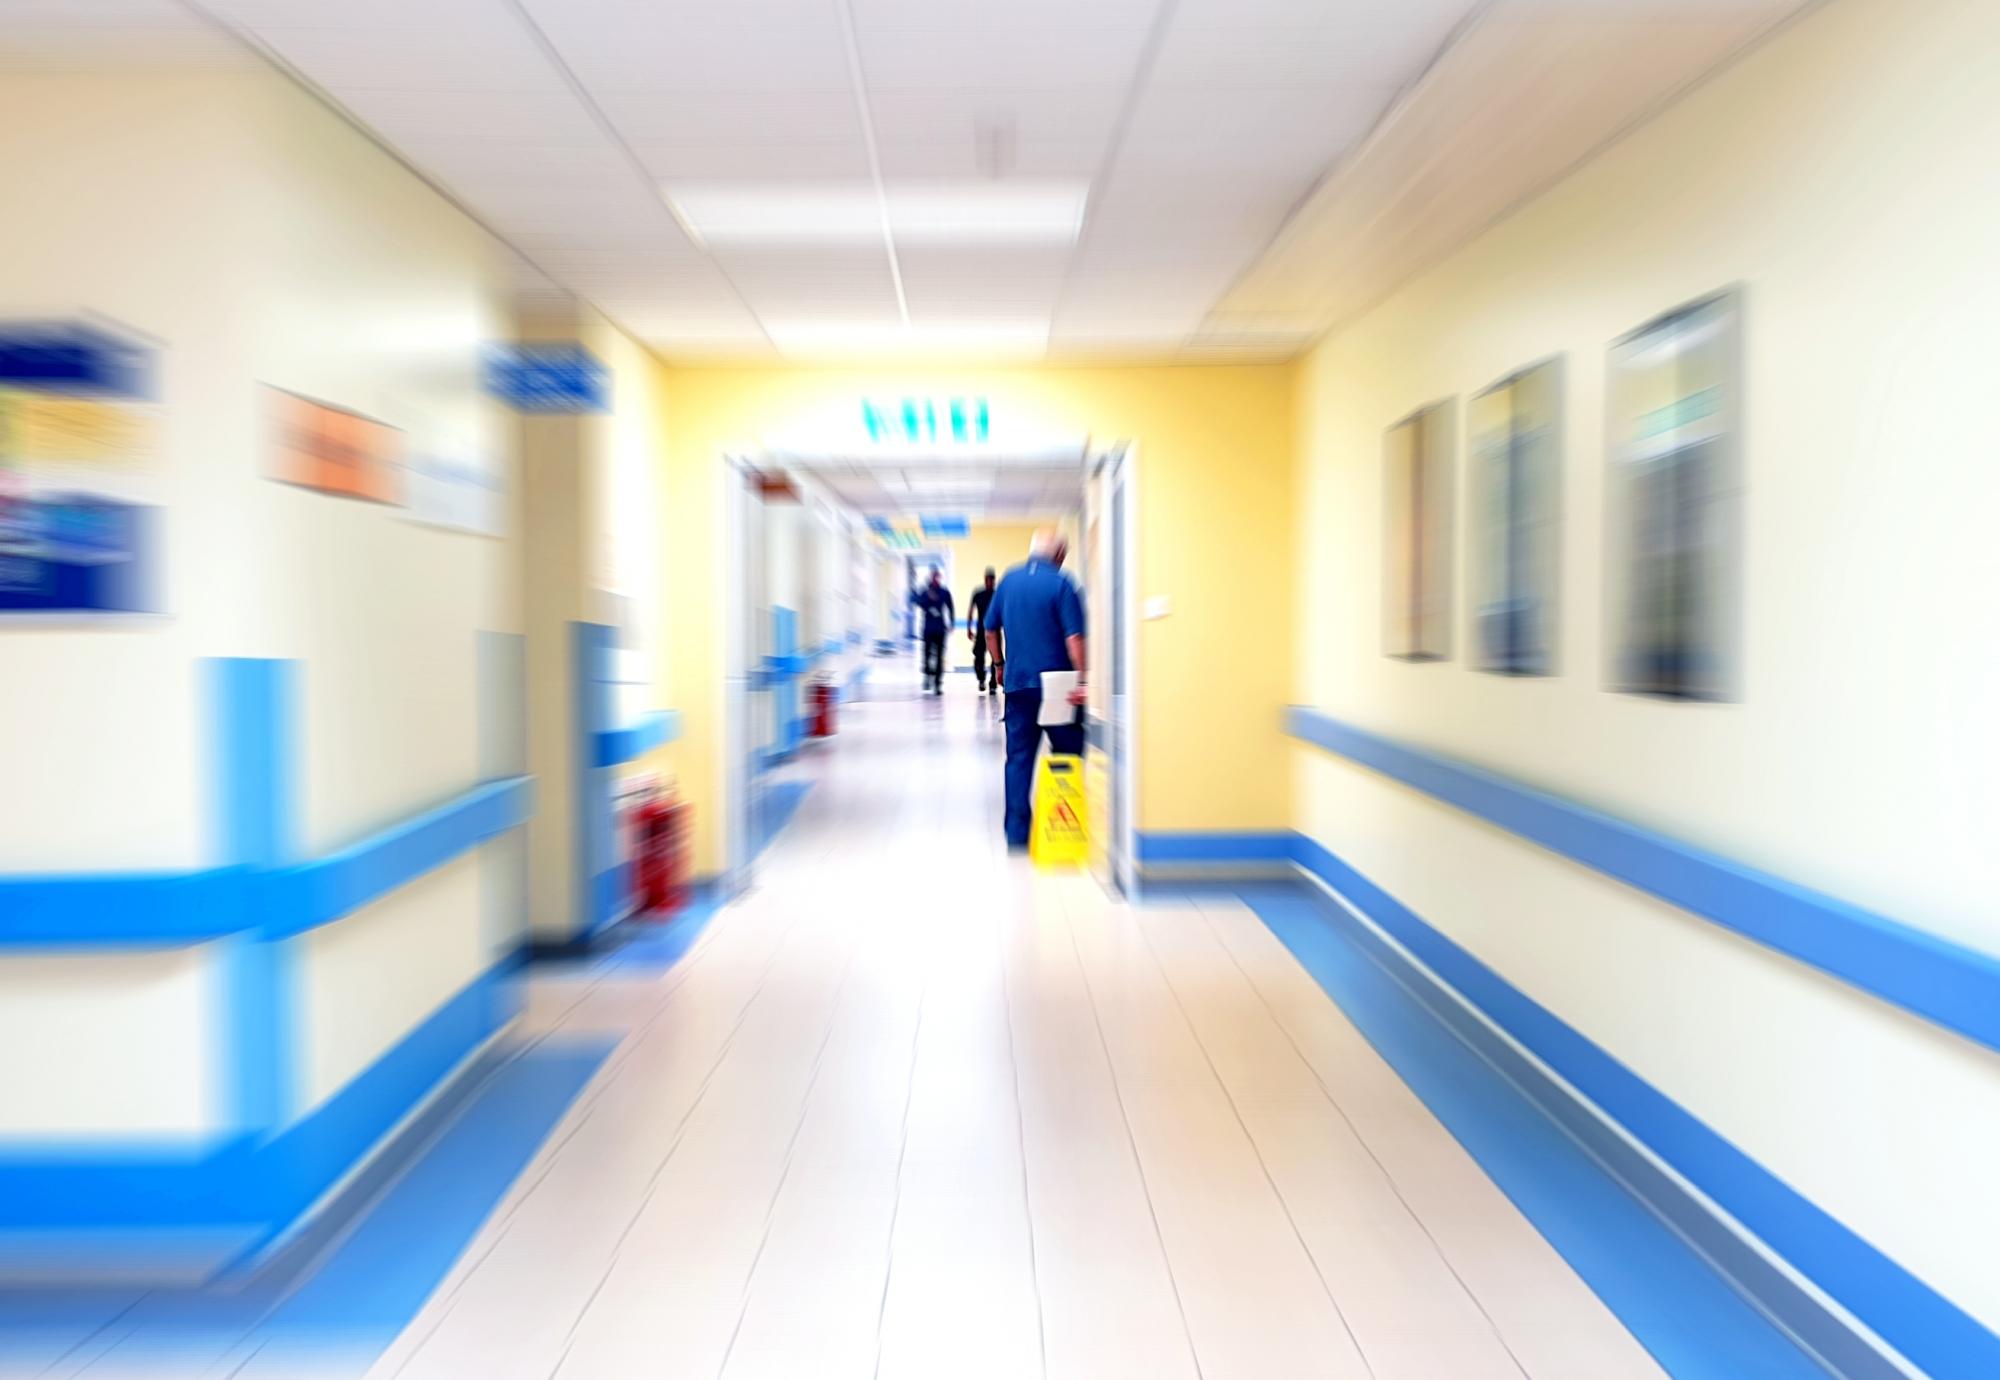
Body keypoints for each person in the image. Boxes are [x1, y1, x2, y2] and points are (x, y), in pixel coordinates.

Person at [986, 528, 1086, 851]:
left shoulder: (1008, 580)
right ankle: (1060, 824)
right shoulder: (1062, 583)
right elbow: (1074, 640)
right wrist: (1083, 680)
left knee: (1018, 758)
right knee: (1068, 754)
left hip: (1018, 684)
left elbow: (989, 630)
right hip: (1058, 687)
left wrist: (999, 665)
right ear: (1057, 555)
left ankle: (1017, 834)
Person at [913, 567, 954, 695]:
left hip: (940, 629)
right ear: (931, 578)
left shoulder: (944, 592)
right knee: (927, 655)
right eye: (934, 577)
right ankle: (927, 677)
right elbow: (918, 602)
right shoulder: (925, 592)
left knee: (939, 658)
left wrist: (951, 623)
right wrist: (927, 597)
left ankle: (937, 684)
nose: (936, 579)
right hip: (928, 629)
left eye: (938, 577)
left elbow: (950, 607)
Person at [967, 567, 999, 695]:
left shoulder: (997, 595)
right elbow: (971, 610)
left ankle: (993, 684)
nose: (989, 582)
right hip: (981, 631)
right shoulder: (978, 594)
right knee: (979, 657)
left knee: (995, 658)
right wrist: (969, 628)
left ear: (994, 581)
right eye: (987, 580)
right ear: (984, 580)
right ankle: (981, 679)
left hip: (994, 631)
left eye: (991, 580)